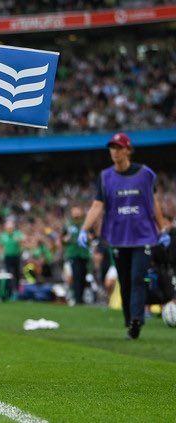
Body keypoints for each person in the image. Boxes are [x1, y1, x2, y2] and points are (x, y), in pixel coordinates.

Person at [78, 132, 171, 339]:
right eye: (112, 148)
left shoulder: (146, 174)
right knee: (125, 280)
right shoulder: (105, 177)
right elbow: (97, 206)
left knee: (138, 277)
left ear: (128, 150)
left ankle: (137, 319)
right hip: (118, 237)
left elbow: (154, 203)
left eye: (119, 147)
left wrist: (162, 228)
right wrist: (84, 229)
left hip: (143, 236)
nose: (115, 151)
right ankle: (130, 321)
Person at [62, 206, 91, 305]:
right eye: (74, 210)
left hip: (84, 254)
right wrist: (67, 238)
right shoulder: (68, 224)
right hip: (73, 253)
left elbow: (93, 236)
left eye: (78, 210)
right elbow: (62, 239)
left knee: (83, 275)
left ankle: (81, 297)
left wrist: (88, 237)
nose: (76, 212)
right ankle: (76, 298)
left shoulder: (86, 223)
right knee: (76, 275)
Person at [0, 219, 24, 300]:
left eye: (11, 228)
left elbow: (23, 241)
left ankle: (16, 292)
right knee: (9, 274)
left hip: (16, 257)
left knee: (17, 274)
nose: (10, 229)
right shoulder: (3, 235)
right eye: (9, 228)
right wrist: (0, 255)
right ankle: (10, 292)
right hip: (7, 257)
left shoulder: (17, 234)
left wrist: (20, 243)